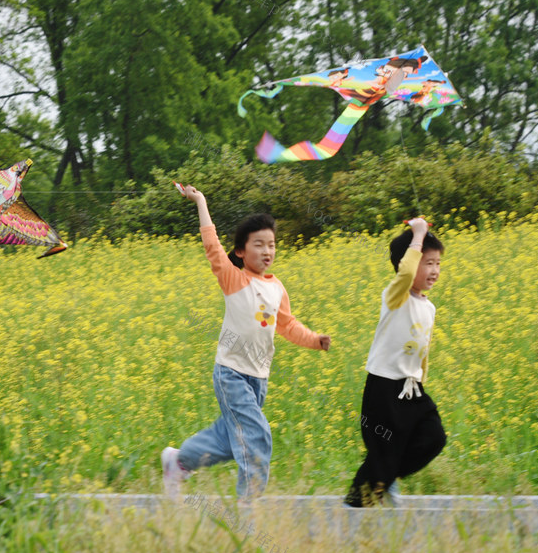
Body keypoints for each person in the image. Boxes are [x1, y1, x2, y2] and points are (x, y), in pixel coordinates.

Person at [161, 185, 330, 500]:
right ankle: (250, 507)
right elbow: (211, 243)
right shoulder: (233, 278)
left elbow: (288, 325)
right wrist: (201, 201)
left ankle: (178, 461)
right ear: (240, 251)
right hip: (231, 374)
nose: (267, 251)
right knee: (257, 435)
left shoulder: (277, 287)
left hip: (258, 379)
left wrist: (314, 340)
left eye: (272, 245)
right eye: (259, 245)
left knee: (228, 441)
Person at [344, 218, 447, 507]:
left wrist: (421, 381)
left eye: (438, 263)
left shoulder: (428, 306)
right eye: (428, 263)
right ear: (410, 262)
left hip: (411, 389)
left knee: (433, 438)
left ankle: (385, 479)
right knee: (384, 452)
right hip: (384, 390)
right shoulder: (395, 297)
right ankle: (357, 507)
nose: (435, 270)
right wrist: (418, 235)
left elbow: (422, 352)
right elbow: (404, 275)